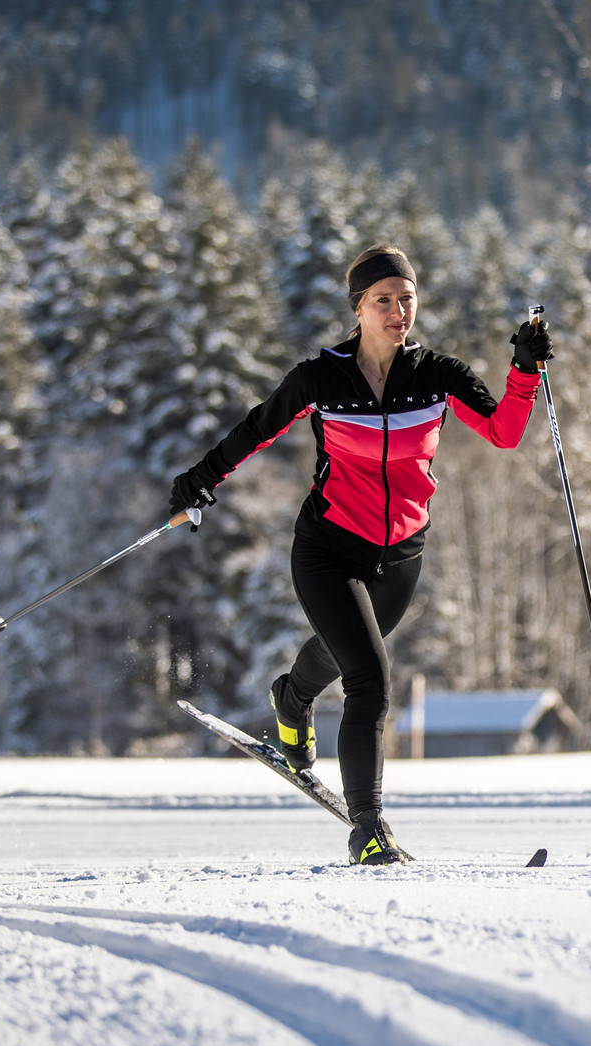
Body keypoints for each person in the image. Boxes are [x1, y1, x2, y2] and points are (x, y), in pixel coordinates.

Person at [170, 244, 552, 865]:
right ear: (358, 307)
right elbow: (257, 427)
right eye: (384, 300)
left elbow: (504, 432)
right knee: (369, 679)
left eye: (407, 299)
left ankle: (291, 699)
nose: (399, 311)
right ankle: (368, 830)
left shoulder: (437, 375)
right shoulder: (322, 377)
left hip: (402, 554)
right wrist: (200, 480)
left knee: (344, 650)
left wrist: (524, 371)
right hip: (328, 547)